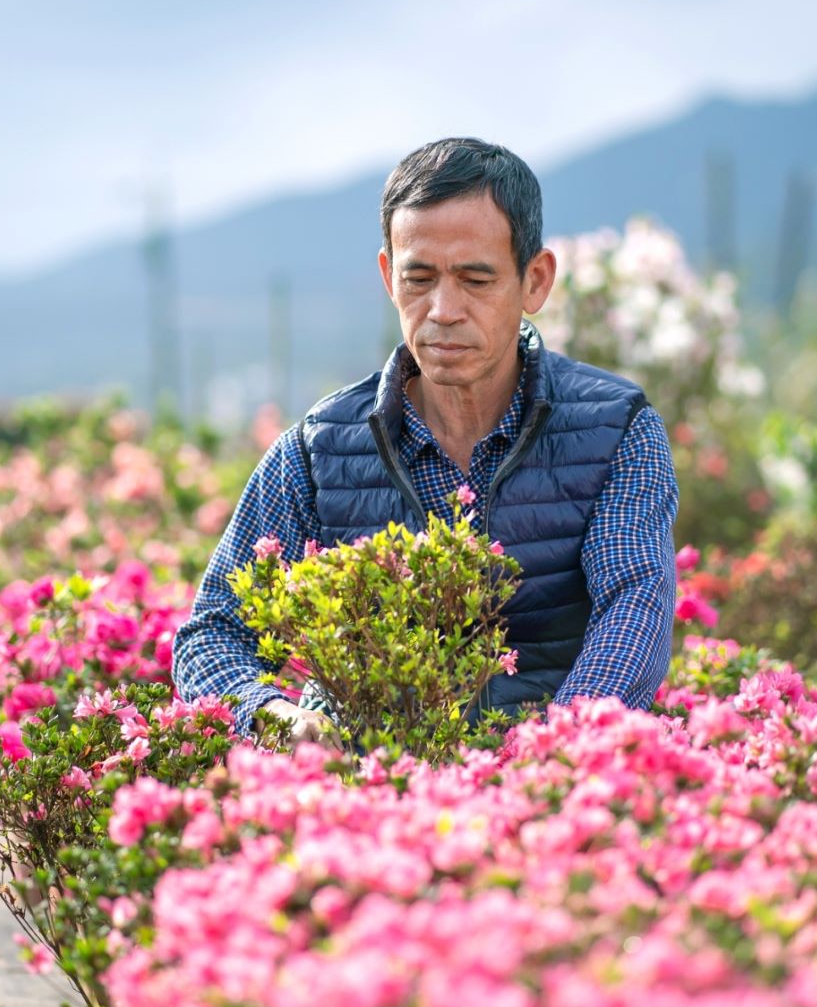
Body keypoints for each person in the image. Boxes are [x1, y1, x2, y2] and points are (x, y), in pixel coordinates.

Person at [172, 136, 678, 742]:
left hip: (552, 798)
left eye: (475, 279)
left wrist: (548, 757)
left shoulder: (615, 430)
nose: (443, 309)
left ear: (535, 281)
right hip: (363, 796)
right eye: (419, 278)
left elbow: (633, 606)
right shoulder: (317, 451)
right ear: (389, 276)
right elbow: (214, 634)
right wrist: (277, 721)